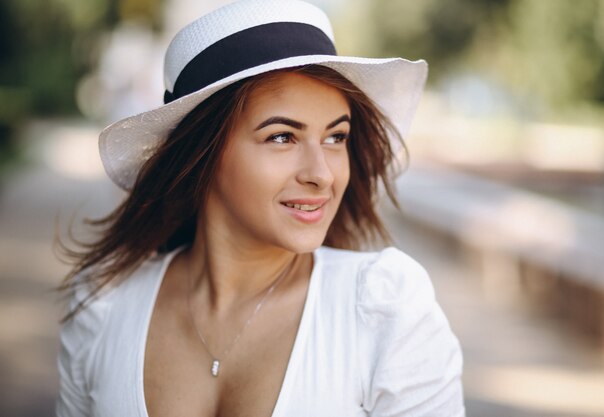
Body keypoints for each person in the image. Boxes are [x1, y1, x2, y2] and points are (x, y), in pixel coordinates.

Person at [56, 0, 465, 416]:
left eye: (335, 137)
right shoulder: (103, 306)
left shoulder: (385, 313)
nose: (321, 174)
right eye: (282, 137)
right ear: (202, 153)